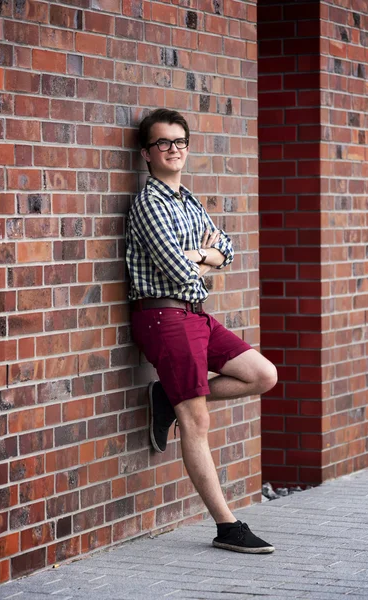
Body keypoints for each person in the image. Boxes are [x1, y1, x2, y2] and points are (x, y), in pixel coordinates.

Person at [126, 108, 278, 554]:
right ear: (146, 154)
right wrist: (203, 257)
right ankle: (226, 526)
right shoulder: (148, 204)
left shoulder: (188, 200)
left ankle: (166, 396)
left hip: (195, 314)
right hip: (164, 316)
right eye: (163, 143)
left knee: (262, 374)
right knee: (197, 419)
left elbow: (227, 249)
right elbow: (177, 271)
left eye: (179, 142)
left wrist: (203, 256)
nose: (173, 149)